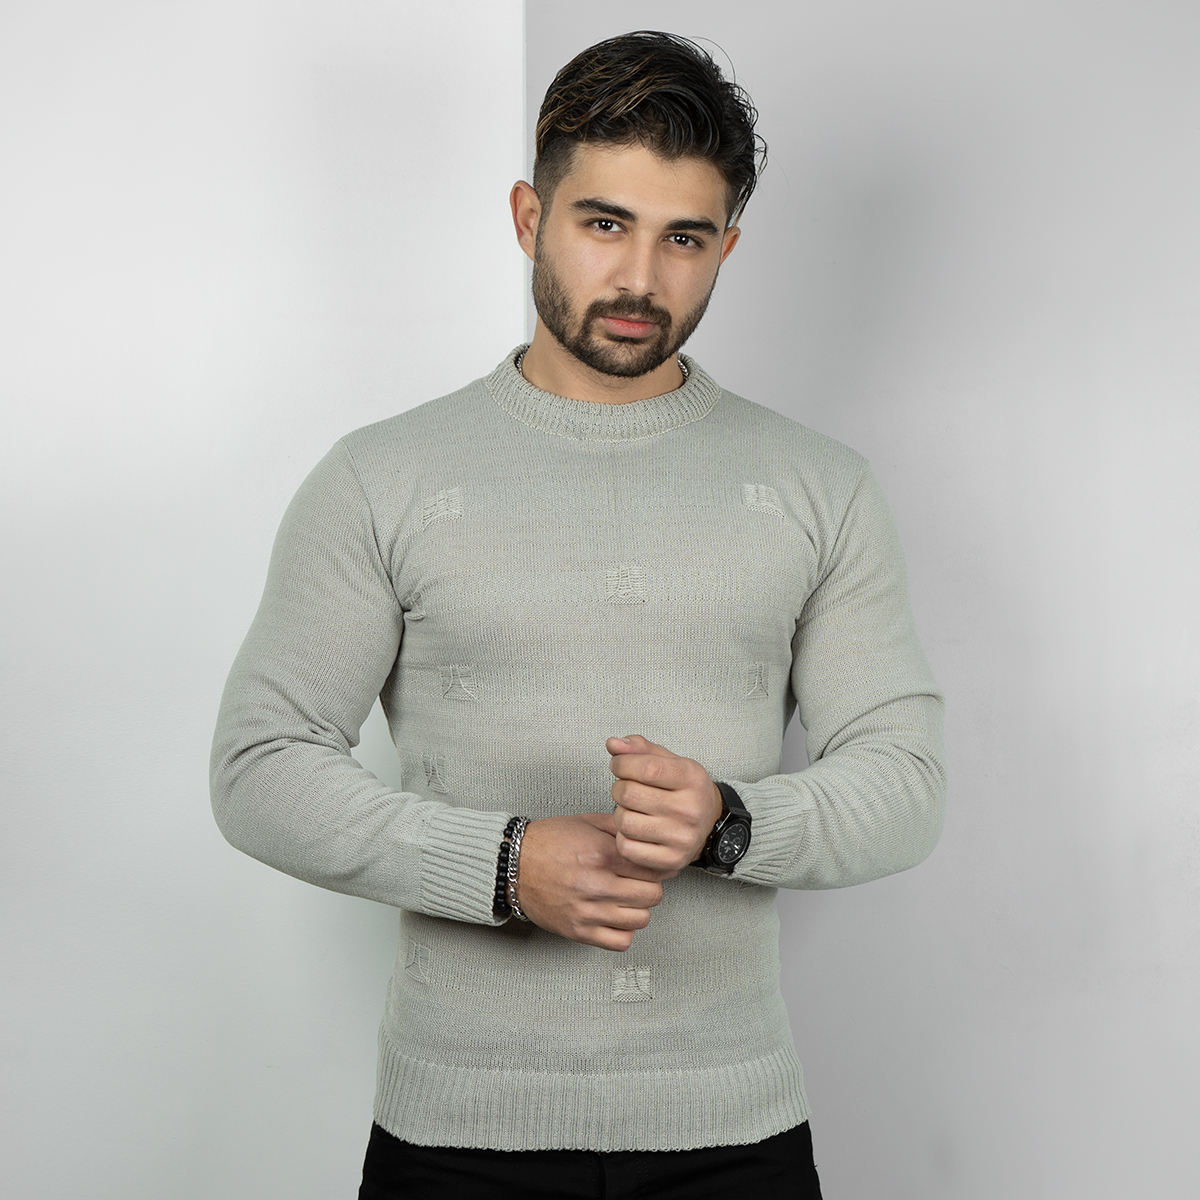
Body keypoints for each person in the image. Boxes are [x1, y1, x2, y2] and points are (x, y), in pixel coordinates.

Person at [211, 29, 946, 1199]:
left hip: (734, 1133)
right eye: (605, 223)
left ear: (727, 247)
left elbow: (905, 781)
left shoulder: (822, 488)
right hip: (454, 1136)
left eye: (684, 238)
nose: (641, 279)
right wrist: (503, 866)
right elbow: (260, 767)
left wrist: (728, 821)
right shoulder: (379, 478)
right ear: (528, 217)